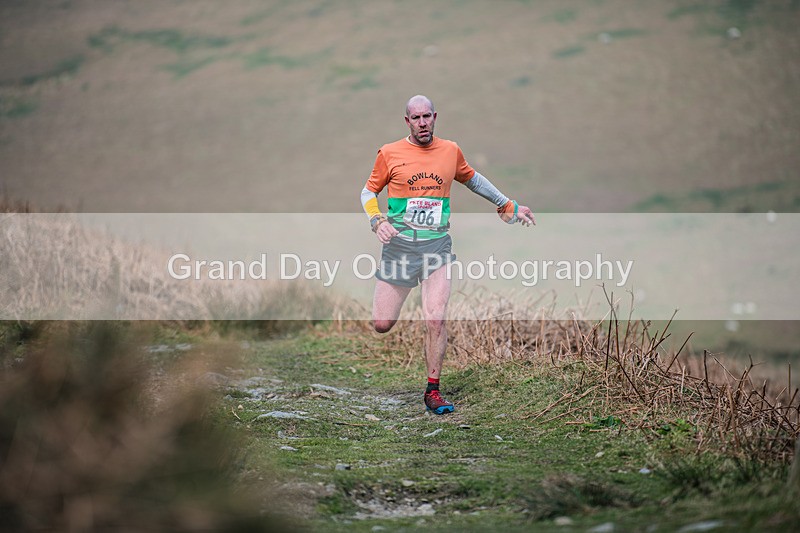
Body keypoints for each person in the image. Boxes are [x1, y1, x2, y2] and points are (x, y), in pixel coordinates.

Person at [360, 94, 535, 415]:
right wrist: (377, 220)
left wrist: (507, 204)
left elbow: (474, 180)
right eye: (416, 118)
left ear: (435, 117)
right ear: (407, 121)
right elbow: (368, 191)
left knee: (436, 318)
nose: (423, 123)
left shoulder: (450, 151)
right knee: (382, 324)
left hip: (436, 247)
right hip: (399, 247)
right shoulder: (389, 153)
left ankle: (433, 390)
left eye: (428, 117)